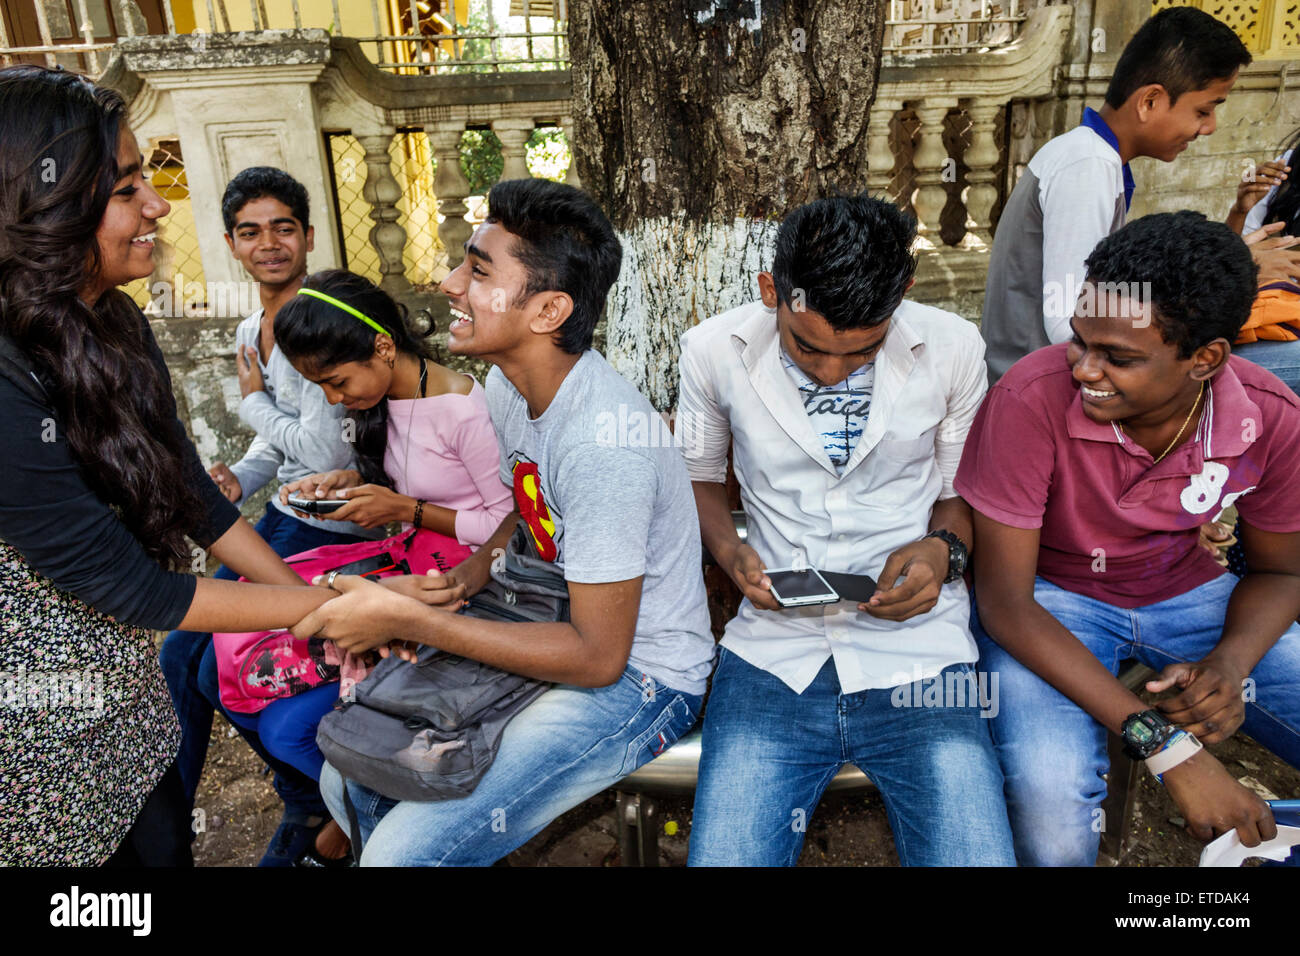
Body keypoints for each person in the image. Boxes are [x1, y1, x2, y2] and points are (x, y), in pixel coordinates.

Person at [291, 178, 716, 866]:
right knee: (347, 777)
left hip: (641, 680)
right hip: (544, 616)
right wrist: (459, 582)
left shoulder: (605, 442)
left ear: (548, 309)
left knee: (400, 857)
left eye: (478, 269)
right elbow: (526, 508)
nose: (449, 282)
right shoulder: (506, 388)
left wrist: (413, 621)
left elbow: (598, 657)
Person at [0, 66, 343, 866]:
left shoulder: (114, 321)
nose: (159, 205)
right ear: (44, 205)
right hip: (35, 755)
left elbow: (193, 493)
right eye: (126, 189)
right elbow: (128, 586)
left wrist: (309, 602)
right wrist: (318, 610)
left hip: (127, 713)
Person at [679, 195, 1014, 867]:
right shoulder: (711, 351)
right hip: (773, 655)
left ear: (903, 297)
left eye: (862, 353)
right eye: (807, 347)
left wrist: (942, 553)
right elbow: (699, 480)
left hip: (921, 655)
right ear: (771, 290)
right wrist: (730, 553)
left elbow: (961, 499)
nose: (831, 370)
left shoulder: (952, 348)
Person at [957, 211, 1300, 866]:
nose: (1085, 369)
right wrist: (1167, 745)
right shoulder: (1030, 398)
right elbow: (1005, 606)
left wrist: (1229, 666)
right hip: (1049, 602)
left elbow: (1283, 574)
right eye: (1080, 340)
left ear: (1205, 360)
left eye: (1118, 357)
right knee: (1053, 820)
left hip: (1192, 593)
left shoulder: (1270, 416)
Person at [210, 268, 513, 860]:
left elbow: (509, 527)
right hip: (402, 572)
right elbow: (406, 482)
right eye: (317, 387)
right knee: (236, 670)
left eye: (336, 381)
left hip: (461, 593)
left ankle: (358, 826)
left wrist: (409, 509)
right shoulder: (383, 402)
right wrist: (352, 483)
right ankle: (352, 816)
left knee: (286, 727)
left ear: (381, 346)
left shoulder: (462, 406)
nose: (332, 399)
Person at [158, 168, 374, 868]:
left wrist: (254, 403)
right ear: (230, 244)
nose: (270, 243)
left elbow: (318, 446)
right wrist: (238, 477)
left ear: (309, 236)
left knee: (196, 659)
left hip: (340, 526)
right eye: (251, 231)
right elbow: (273, 448)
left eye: (284, 227)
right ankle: (177, 820)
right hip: (287, 511)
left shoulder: (325, 317)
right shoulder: (253, 326)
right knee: (184, 653)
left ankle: (309, 798)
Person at [981, 6, 1251, 384]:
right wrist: (1176, 308)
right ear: (1150, 101)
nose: (1209, 127)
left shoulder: (1095, 158)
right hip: (1035, 385)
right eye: (1203, 110)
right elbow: (1069, 319)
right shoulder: (1087, 165)